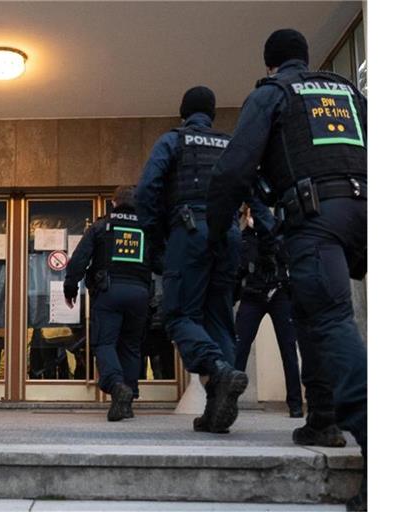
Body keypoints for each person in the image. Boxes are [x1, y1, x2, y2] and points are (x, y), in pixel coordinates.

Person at [205, 29, 367, 510]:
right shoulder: (350, 94)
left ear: (271, 63)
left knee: (331, 320)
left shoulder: (273, 93)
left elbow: (234, 169)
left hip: (317, 219)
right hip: (370, 206)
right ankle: (321, 418)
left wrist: (216, 233)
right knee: (315, 314)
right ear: (306, 57)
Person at [136, 86, 275, 434]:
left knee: (179, 314)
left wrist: (157, 238)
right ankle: (216, 409)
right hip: (228, 235)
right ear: (212, 114)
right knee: (218, 318)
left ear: (184, 113)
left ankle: (215, 366)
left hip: (189, 231)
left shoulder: (173, 140)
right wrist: (269, 236)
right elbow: (255, 194)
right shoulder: (231, 144)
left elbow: (147, 190)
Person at [64, 185, 153, 421]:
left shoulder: (101, 226)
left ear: (114, 203)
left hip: (109, 292)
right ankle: (128, 400)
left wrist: (70, 287)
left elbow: (79, 259)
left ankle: (116, 386)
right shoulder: (147, 227)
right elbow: (163, 263)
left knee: (105, 343)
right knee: (131, 346)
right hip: (140, 293)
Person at [234, 204, 303, 418]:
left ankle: (295, 403)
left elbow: (287, 258)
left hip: (279, 293)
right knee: (239, 348)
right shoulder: (243, 237)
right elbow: (239, 267)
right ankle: (227, 401)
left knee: (288, 349)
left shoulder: (279, 235)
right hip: (252, 295)